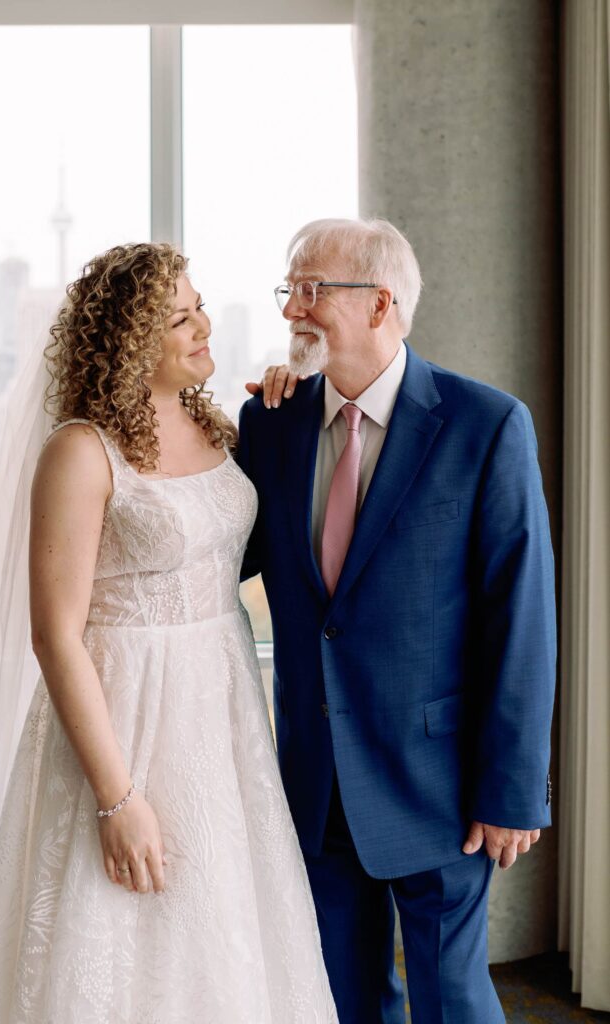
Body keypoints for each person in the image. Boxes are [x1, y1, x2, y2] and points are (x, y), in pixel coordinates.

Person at [0, 243, 336, 1023]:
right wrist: (118, 801)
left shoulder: (216, 426)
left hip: (221, 727)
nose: (204, 327)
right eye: (180, 318)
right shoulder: (81, 452)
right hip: (125, 727)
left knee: (229, 937)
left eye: (200, 306)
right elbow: (54, 636)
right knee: (115, 933)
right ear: (129, 341)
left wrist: (291, 393)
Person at [238, 218, 557, 1024]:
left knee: (451, 1000)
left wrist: (513, 789)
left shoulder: (486, 426)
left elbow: (520, 619)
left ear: (381, 303)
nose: (292, 310)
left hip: (440, 783)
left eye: (313, 290)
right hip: (315, 777)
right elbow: (215, 555)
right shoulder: (271, 424)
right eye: (290, 289)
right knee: (342, 998)